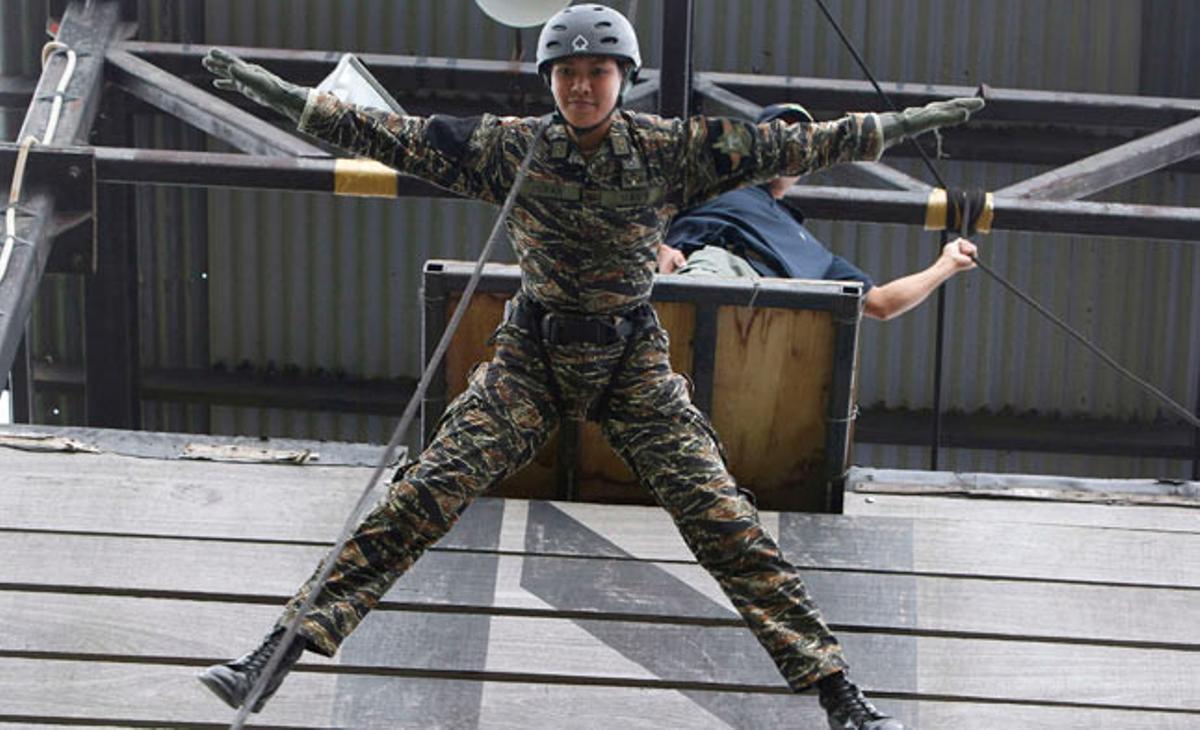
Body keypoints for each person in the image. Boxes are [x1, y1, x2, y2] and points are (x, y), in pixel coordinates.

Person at [198, 5, 982, 728]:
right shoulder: (512, 147)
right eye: (567, 74)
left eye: (596, 73)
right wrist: (285, 98)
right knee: (424, 493)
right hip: (531, 357)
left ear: (621, 81)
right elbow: (391, 136)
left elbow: (796, 145)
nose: (580, 85)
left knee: (722, 517)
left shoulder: (668, 151)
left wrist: (909, 122)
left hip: (629, 361)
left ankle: (838, 693)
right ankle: (275, 654)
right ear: (550, 82)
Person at [660, 102, 978, 321]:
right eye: (778, 133)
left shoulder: (815, 254)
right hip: (712, 274)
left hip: (775, 321)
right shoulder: (713, 180)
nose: (790, 143)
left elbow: (882, 303)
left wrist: (947, 264)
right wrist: (656, 249)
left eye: (800, 137)